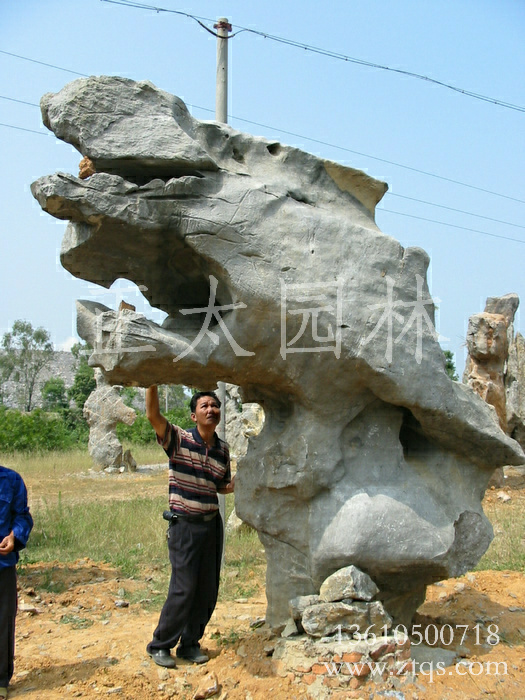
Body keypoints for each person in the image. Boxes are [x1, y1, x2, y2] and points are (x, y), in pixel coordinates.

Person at [145, 386, 234, 669]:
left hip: (211, 527)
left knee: (208, 589)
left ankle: (190, 643)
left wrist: (245, 482)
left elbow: (220, 486)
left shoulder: (223, 450)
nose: (211, 410)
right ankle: (160, 645)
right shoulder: (179, 440)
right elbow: (153, 415)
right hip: (184, 525)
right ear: (193, 415)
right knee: (183, 587)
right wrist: (151, 382)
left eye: (215, 406)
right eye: (204, 406)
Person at [0, 466, 33, 699]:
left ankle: (1, 680)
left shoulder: (11, 480)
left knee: (3, 622)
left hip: (3, 565)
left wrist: (14, 536)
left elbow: (22, 516)